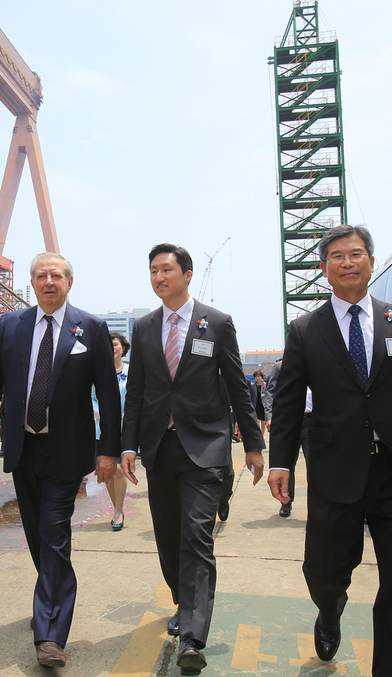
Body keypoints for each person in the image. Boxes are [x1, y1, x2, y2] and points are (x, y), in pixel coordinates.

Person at [267, 225, 392, 676]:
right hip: (336, 470)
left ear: (371, 261)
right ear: (323, 269)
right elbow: (290, 401)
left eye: (355, 254)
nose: (347, 262)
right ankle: (329, 608)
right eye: (336, 256)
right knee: (323, 569)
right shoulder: (306, 329)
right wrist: (281, 461)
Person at [0, 253, 121, 668]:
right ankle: (48, 601)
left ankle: (49, 635)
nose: (48, 281)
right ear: (32, 283)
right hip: (22, 447)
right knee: (37, 535)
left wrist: (108, 449)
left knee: (52, 534)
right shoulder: (12, 325)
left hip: (66, 451)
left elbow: (108, 391)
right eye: (40, 276)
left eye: (56, 275)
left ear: (69, 282)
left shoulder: (92, 327)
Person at [121, 243, 265, 676]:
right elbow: (139, 393)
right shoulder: (144, 327)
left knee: (197, 538)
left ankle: (193, 638)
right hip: (159, 450)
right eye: (153, 271)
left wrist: (254, 445)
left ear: (187, 274)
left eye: (167, 269)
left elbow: (238, 387)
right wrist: (129, 445)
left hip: (205, 449)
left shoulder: (215, 323)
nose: (159, 277)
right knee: (168, 538)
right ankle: (184, 602)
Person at [263, 357, 313, 518]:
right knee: (287, 466)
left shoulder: (317, 359)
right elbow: (270, 392)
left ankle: (316, 505)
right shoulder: (281, 366)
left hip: (313, 422)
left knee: (315, 466)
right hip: (289, 423)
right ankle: (286, 502)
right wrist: (270, 415)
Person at [92, 331, 130, 530]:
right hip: (102, 429)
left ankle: (118, 511)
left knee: (119, 470)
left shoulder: (131, 371)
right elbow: (90, 397)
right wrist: (97, 410)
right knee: (107, 472)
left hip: (124, 427)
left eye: (115, 344)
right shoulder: (97, 371)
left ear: (123, 348)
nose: (112, 348)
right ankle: (118, 508)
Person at [249, 370, 268, 436]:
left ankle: (262, 435)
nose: (257, 378)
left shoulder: (265, 385)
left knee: (263, 421)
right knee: (256, 420)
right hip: (255, 404)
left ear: (262, 377)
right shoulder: (252, 386)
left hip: (263, 405)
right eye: (256, 377)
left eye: (259, 376)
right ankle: (258, 434)